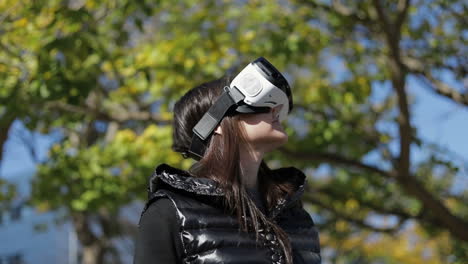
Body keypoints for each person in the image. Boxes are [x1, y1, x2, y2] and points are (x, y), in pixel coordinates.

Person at [134, 57, 321, 264]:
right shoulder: (169, 213)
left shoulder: (297, 219)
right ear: (216, 124)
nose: (275, 108)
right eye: (255, 99)